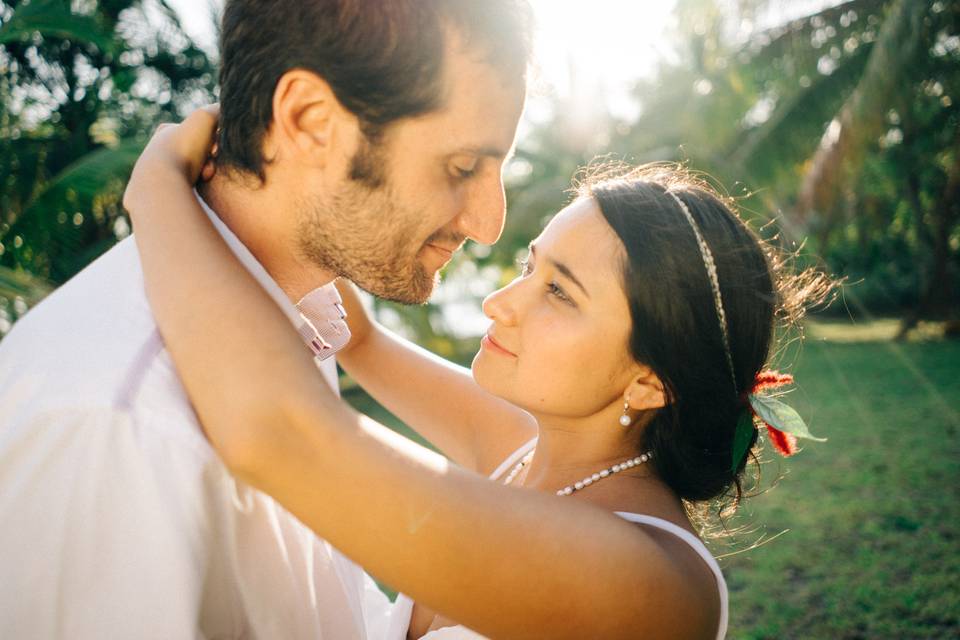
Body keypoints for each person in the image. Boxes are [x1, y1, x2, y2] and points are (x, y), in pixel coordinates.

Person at [122, 111, 833, 639]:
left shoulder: (643, 581)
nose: (500, 303)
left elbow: (278, 435)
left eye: (559, 292)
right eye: (531, 267)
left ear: (651, 382)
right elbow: (359, 339)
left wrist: (154, 190)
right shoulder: (535, 452)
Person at [0, 1, 532, 637]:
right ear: (309, 120)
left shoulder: (298, 325)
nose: (488, 223)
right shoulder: (123, 426)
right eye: (462, 167)